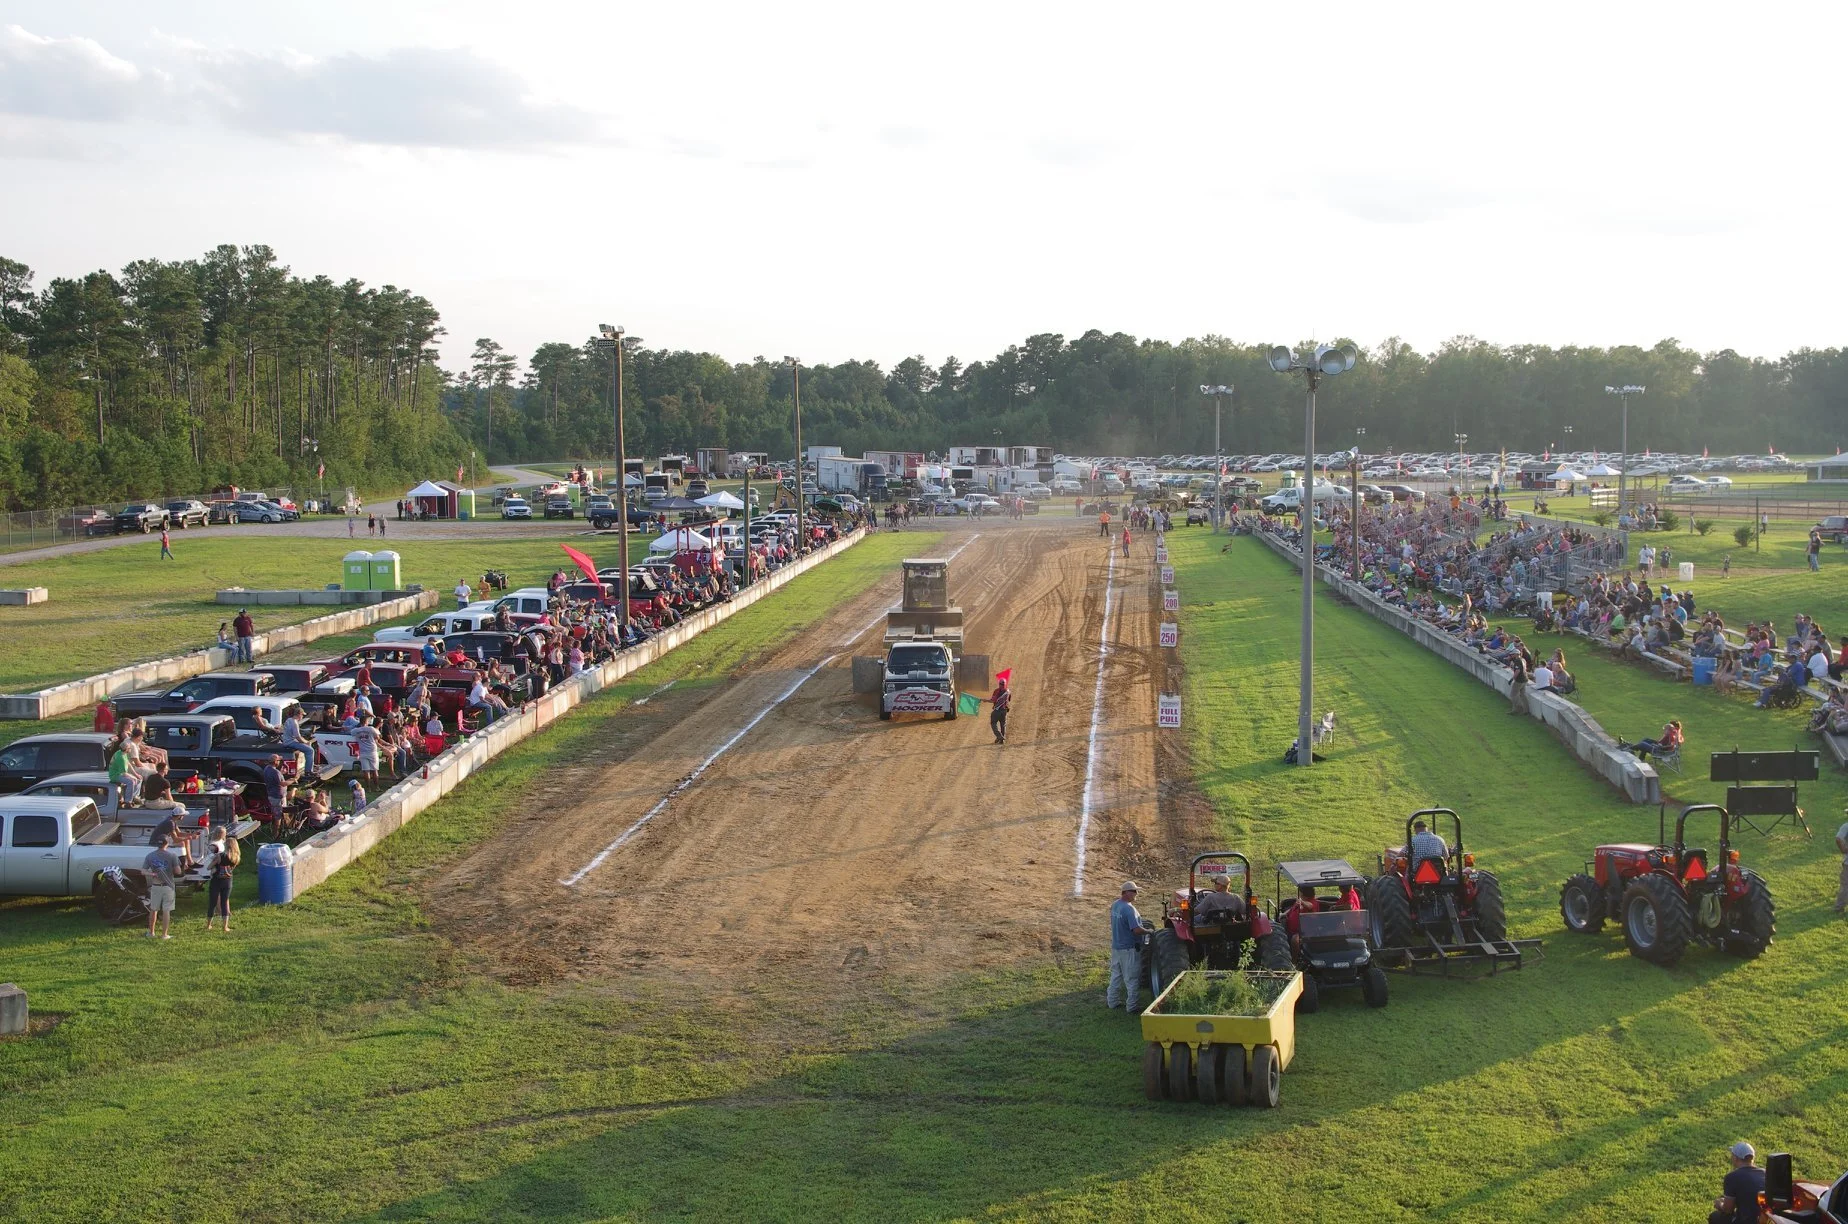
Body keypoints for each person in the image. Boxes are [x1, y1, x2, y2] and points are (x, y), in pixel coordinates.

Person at [1105, 882, 1144, 1013]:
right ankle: (1132, 1007)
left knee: (1116, 975)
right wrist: (1149, 931)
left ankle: (1112, 1002)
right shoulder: (1129, 909)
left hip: (1116, 946)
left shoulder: (1115, 905)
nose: (1136, 894)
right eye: (1134, 891)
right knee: (1131, 978)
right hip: (1129, 948)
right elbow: (1136, 930)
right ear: (1126, 892)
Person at [1710, 1141, 1764, 1224]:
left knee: (1715, 1216)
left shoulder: (1732, 1177)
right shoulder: (1765, 1173)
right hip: (1765, 1219)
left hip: (1746, 1221)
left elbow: (1728, 1210)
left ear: (1735, 1158)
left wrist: (1719, 1204)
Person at [143, 835, 179, 940]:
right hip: (168, 886)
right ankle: (164, 935)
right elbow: (178, 871)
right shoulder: (172, 855)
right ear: (167, 843)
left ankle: (151, 933)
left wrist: (153, 874)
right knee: (167, 910)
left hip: (156, 886)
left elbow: (143, 871)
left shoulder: (150, 856)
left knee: (153, 909)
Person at [205, 828, 236, 932]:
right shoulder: (235, 857)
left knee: (212, 903)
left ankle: (208, 925)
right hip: (228, 881)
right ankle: (225, 926)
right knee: (224, 902)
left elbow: (209, 867)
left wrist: (214, 865)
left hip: (216, 880)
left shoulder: (220, 856)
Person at [986, 674, 1012, 745]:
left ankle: (999, 736)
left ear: (999, 684)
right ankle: (1001, 740)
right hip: (1004, 711)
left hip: (997, 711)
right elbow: (1009, 699)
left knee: (993, 723)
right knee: (1003, 724)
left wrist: (984, 700)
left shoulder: (996, 691)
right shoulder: (1008, 691)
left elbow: (992, 700)